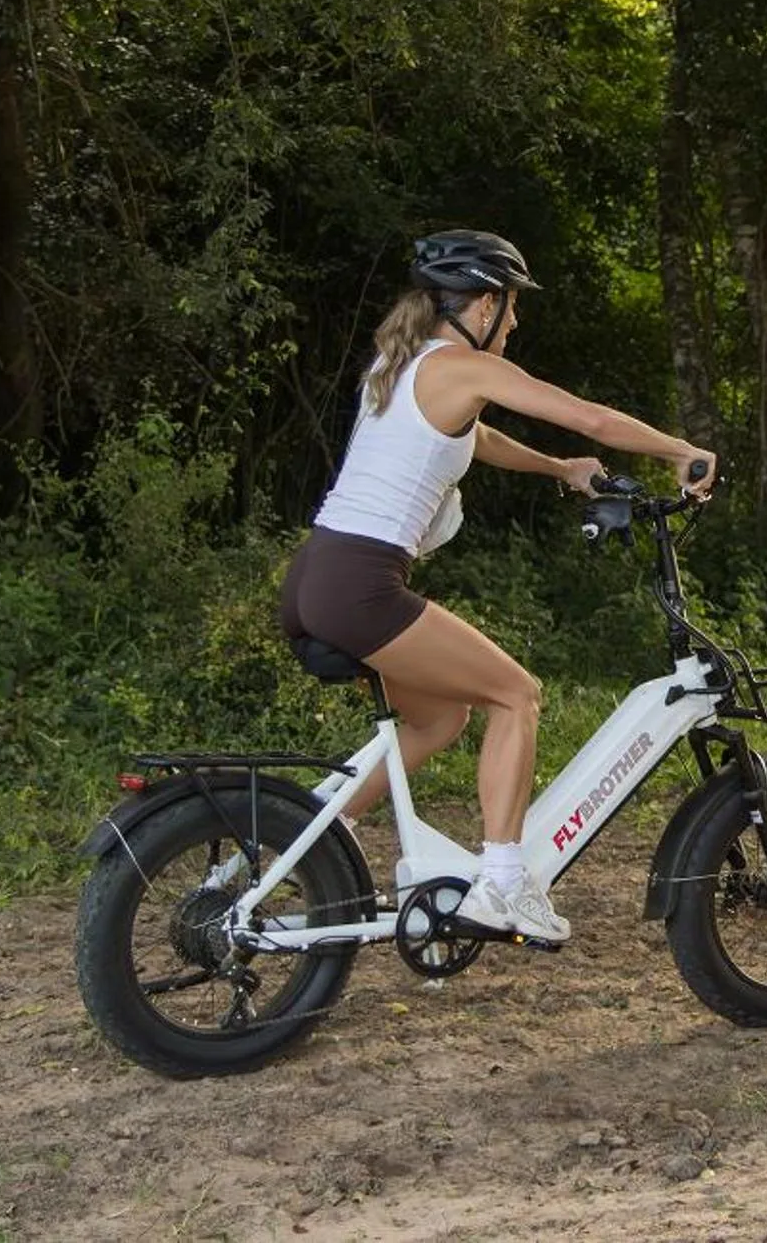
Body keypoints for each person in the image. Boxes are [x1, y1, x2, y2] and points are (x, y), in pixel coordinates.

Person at [278, 229, 716, 941]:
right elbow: (591, 415)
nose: (513, 323)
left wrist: (560, 469)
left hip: (315, 577)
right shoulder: (462, 365)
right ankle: (504, 884)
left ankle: (316, 830)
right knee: (516, 694)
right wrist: (681, 450)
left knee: (439, 718)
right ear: (481, 305)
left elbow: (473, 440)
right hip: (360, 582)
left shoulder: (403, 364)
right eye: (510, 309)